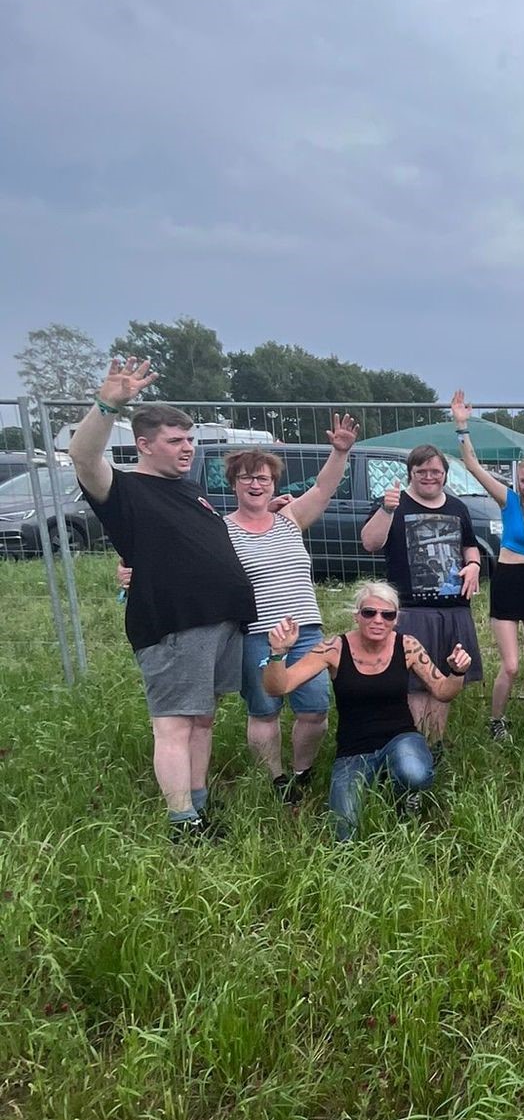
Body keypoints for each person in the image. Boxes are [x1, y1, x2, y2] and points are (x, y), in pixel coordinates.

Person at [70, 357, 256, 841]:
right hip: (174, 625)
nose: (187, 448)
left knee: (202, 720)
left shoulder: (188, 489)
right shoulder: (123, 488)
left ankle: (199, 808)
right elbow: (84, 457)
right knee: (174, 725)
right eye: (176, 441)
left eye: (190, 440)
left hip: (218, 623)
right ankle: (183, 825)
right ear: (144, 444)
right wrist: (107, 404)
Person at [260, 585, 471, 839]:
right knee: (344, 833)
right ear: (356, 616)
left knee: (414, 773)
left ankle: (404, 796)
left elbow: (443, 691)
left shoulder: (407, 646)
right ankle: (382, 778)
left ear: (396, 619)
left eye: (387, 615)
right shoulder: (335, 648)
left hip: (400, 738)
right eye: (369, 612)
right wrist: (278, 653)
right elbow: (279, 687)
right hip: (353, 749)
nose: (378, 620)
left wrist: (457, 672)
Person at [223, 414, 358, 798]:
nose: (255, 484)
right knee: (264, 711)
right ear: (234, 484)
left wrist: (340, 452)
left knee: (314, 710)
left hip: (306, 633)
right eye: (246, 477)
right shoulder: (222, 530)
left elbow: (323, 488)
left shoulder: (289, 519)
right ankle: (276, 780)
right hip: (257, 635)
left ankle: (302, 773)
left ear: (273, 485)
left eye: (263, 477)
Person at [450, 393, 524, 735]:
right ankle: (496, 720)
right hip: (508, 581)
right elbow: (472, 466)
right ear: (519, 482)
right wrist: (463, 426)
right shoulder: (509, 500)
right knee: (513, 664)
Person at [359, 443, 483, 744]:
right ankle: (416, 745)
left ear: (445, 474)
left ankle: (435, 744)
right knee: (415, 684)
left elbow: (469, 543)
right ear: (410, 473)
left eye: (435, 471)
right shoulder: (392, 503)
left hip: (453, 609)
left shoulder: (457, 507)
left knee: (444, 679)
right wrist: (386, 509)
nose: (429, 476)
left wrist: (474, 563)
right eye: (421, 471)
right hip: (410, 610)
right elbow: (370, 543)